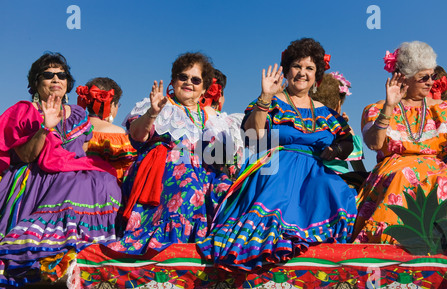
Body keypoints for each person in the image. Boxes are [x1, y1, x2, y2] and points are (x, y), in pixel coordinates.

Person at [197, 38, 358, 271]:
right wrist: (264, 97)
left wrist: (335, 150)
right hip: (276, 168)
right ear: (287, 70)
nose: (302, 73)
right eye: (297, 66)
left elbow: (346, 141)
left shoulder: (326, 113)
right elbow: (253, 136)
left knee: (334, 189)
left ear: (316, 75)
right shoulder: (271, 101)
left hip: (315, 173)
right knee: (275, 205)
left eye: (309, 68)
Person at [0, 52, 122, 289]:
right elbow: (26, 156)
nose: (56, 79)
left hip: (73, 176)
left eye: (61, 75)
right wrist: (45, 127)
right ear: (36, 82)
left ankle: (85, 251)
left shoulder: (78, 115)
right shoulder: (24, 111)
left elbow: (82, 153)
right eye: (48, 74)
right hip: (36, 178)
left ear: (68, 83)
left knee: (103, 179)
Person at [107, 52, 244, 254]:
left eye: (195, 80)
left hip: (204, 171)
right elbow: (136, 136)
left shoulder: (213, 117)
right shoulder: (161, 105)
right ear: (174, 80)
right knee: (188, 186)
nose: (188, 82)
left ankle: (213, 247)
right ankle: (170, 247)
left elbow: (227, 157)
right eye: (183, 77)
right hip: (164, 169)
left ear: (204, 88)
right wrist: (152, 113)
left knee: (229, 190)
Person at [354, 41, 447, 244]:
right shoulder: (377, 108)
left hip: (438, 171)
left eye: (432, 76)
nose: (430, 82)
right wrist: (389, 106)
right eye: (423, 77)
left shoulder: (443, 110)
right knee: (403, 176)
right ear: (403, 78)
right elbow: (374, 144)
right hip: (395, 171)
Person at [310, 72, 368, 189]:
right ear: (338, 105)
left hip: (308, 178)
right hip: (338, 182)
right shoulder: (343, 130)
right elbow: (358, 167)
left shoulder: (300, 123)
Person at [76, 77, 137, 183]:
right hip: (108, 194)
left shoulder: (72, 129)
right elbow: (127, 174)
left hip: (72, 192)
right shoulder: (120, 135)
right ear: (112, 105)